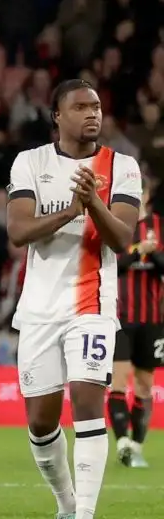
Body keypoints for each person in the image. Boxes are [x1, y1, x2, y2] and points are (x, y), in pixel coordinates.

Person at [6, 79, 141, 519]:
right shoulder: (31, 162)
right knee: (41, 422)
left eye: (97, 106)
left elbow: (123, 240)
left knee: (87, 400)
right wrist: (70, 210)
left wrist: (94, 203)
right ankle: (65, 506)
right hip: (39, 310)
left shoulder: (121, 167)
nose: (92, 114)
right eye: (80, 107)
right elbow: (19, 230)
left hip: (92, 306)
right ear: (57, 117)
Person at [111, 180, 160, 468]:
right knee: (118, 381)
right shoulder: (115, 225)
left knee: (144, 385)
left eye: (140, 191)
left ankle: (137, 446)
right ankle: (122, 443)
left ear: (147, 194)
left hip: (153, 319)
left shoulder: (160, 227)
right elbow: (113, 266)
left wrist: (153, 252)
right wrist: (140, 249)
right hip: (120, 319)